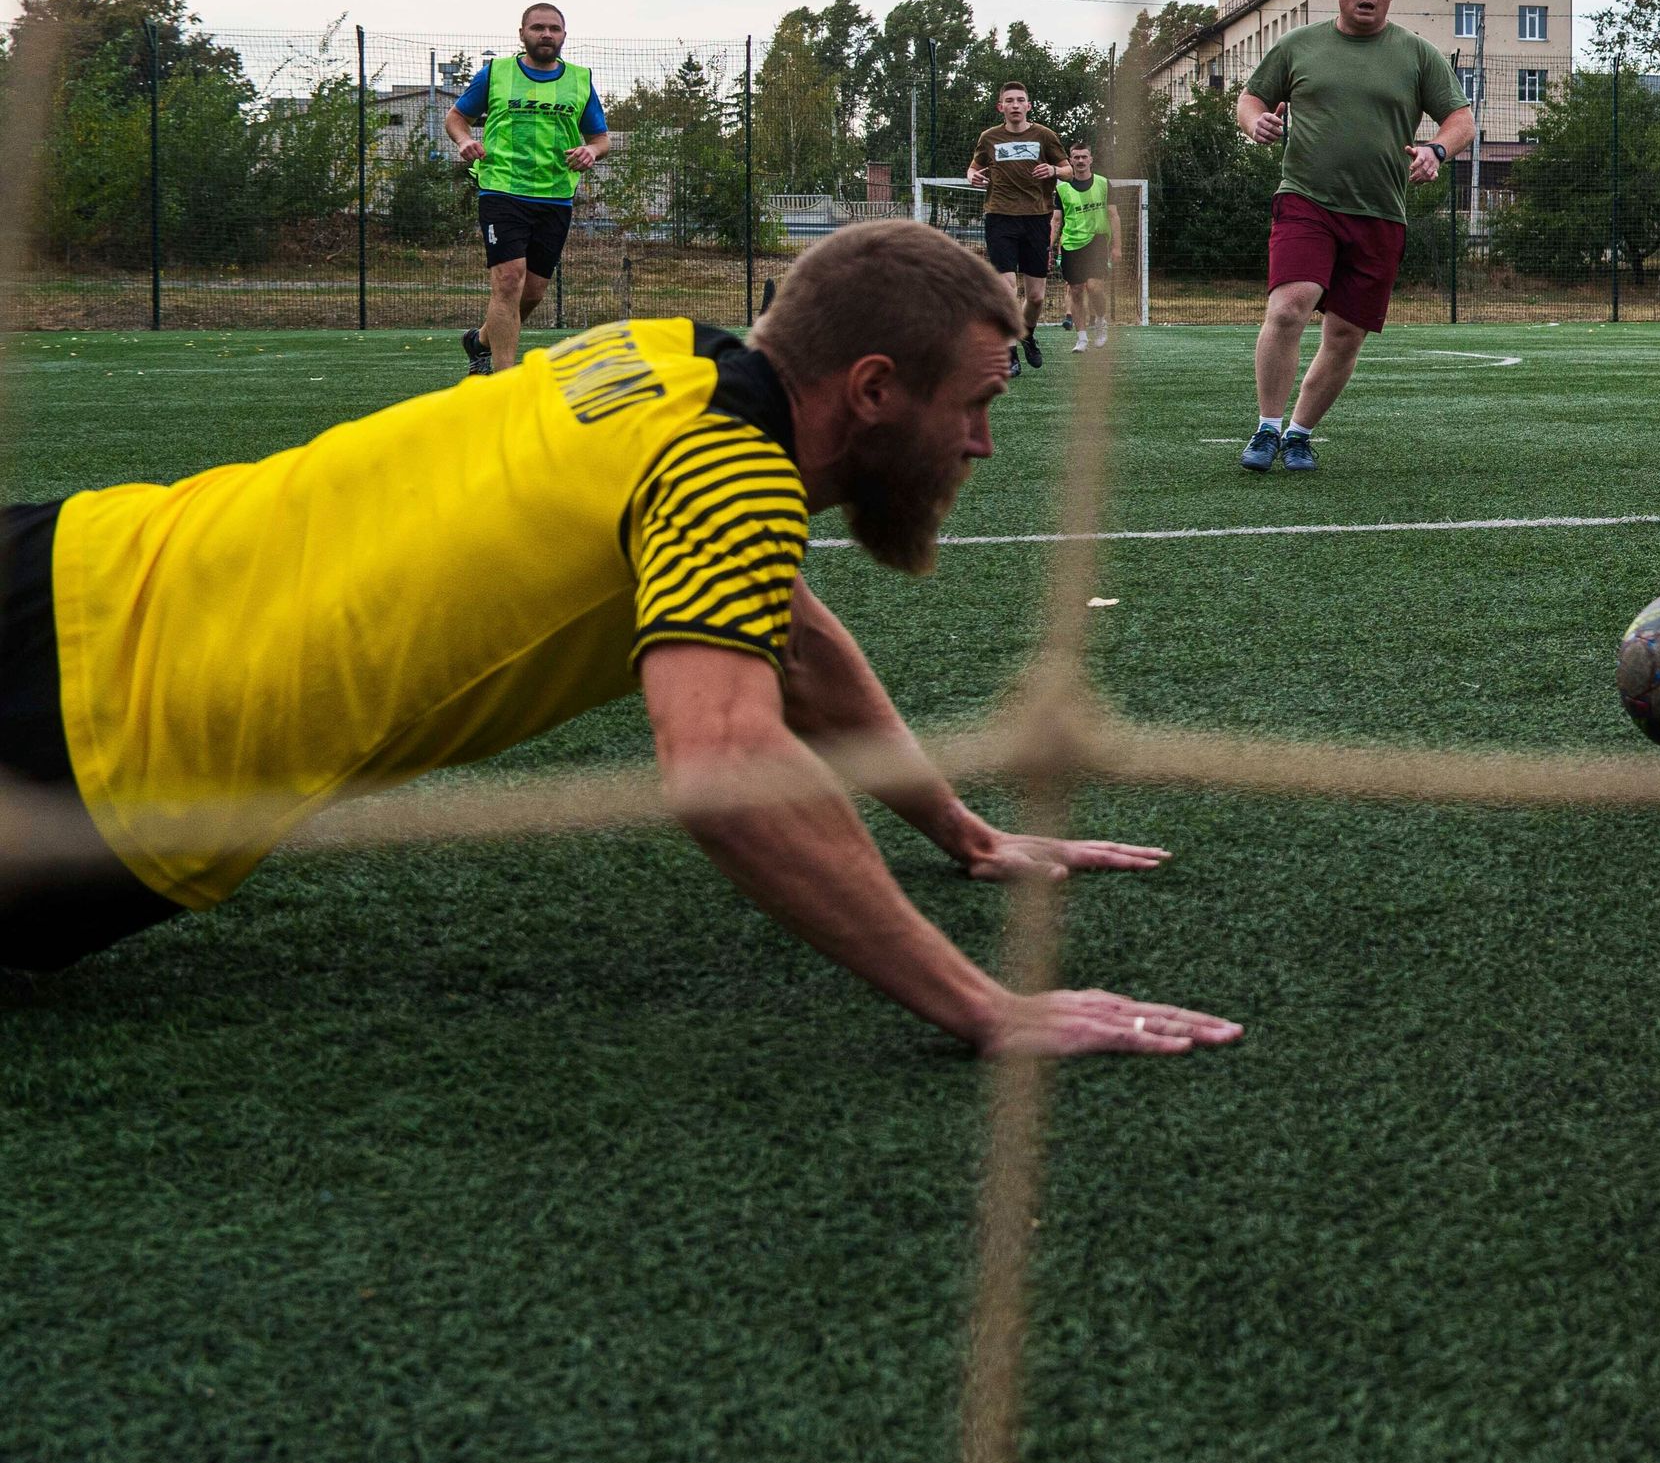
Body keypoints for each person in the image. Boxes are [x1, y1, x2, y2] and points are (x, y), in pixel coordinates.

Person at [0, 221, 1237, 1058]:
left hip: (74, 559)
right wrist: (985, 1004)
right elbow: (722, 771)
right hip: (93, 756)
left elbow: (791, 645)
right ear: (869, 390)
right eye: (973, 406)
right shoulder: (729, 476)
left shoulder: (666, 361)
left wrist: (963, 833)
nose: (979, 446)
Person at [1232, 0, 1473, 473]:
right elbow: (1249, 99)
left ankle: (1300, 433)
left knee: (1345, 334)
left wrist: (1436, 149)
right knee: (1291, 304)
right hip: (1305, 200)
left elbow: (1461, 119)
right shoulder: (1299, 46)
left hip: (1381, 212)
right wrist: (1255, 123)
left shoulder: (1416, 54)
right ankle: (1267, 427)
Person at [444, 2, 608, 376]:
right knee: (508, 280)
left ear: (564, 35)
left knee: (532, 293)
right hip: (501, 189)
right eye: (537, 28)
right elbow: (456, 117)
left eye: (553, 28)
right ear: (522, 34)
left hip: (554, 196)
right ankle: (503, 378)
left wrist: (591, 151)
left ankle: (481, 342)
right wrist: (463, 141)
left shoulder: (580, 79)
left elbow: (601, 138)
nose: (546, 34)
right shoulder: (496, 73)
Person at [962, 83, 1070, 370]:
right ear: (1001, 107)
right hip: (999, 217)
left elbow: (1069, 170)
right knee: (1007, 288)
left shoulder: (1045, 136)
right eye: (1008, 101)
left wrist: (1055, 170)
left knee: (1035, 296)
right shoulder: (989, 138)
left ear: (1028, 106)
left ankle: (1027, 335)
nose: (1015, 105)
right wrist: (972, 176)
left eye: (1020, 100)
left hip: (1037, 219)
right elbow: (973, 168)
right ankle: (1009, 354)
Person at [1054, 144, 1116, 352]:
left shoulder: (1103, 184)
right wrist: (1049, 246)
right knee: (1076, 290)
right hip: (1071, 243)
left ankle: (1100, 321)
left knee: (1095, 287)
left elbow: (1114, 216)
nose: (1080, 161)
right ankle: (1081, 338)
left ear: (1091, 159)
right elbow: (1056, 220)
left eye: (1084, 157)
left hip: (1097, 240)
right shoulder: (1061, 188)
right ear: (1070, 161)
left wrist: (1117, 246)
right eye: (1076, 157)